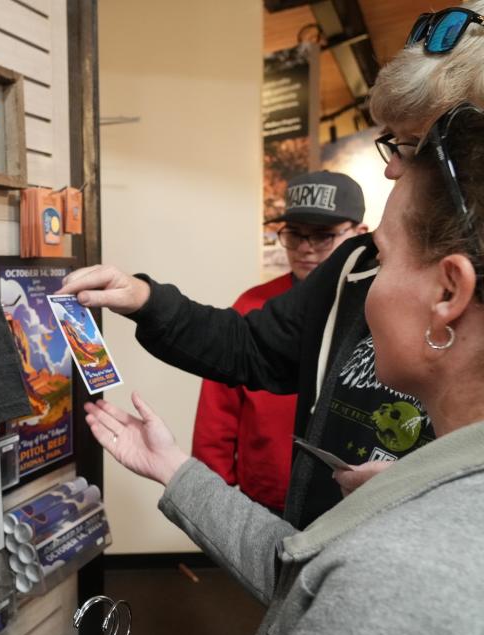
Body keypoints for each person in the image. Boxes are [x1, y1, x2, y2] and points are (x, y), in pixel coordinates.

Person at [84, 101, 484, 635]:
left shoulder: (400, 566)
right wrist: (172, 465)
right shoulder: (412, 512)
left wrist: (400, 510)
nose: (362, 284)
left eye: (384, 260)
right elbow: (301, 566)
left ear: (449, 293)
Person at [58, 4, 484, 528]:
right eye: (391, 142)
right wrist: (145, 300)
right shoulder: (353, 267)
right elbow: (251, 347)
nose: (393, 166)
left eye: (414, 146)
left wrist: (423, 500)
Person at [192, 172, 367, 513]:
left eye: (323, 235)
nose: (305, 247)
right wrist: (212, 500)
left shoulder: (378, 307)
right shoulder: (252, 305)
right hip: (264, 497)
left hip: (349, 499)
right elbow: (217, 416)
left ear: (359, 235)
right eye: (295, 234)